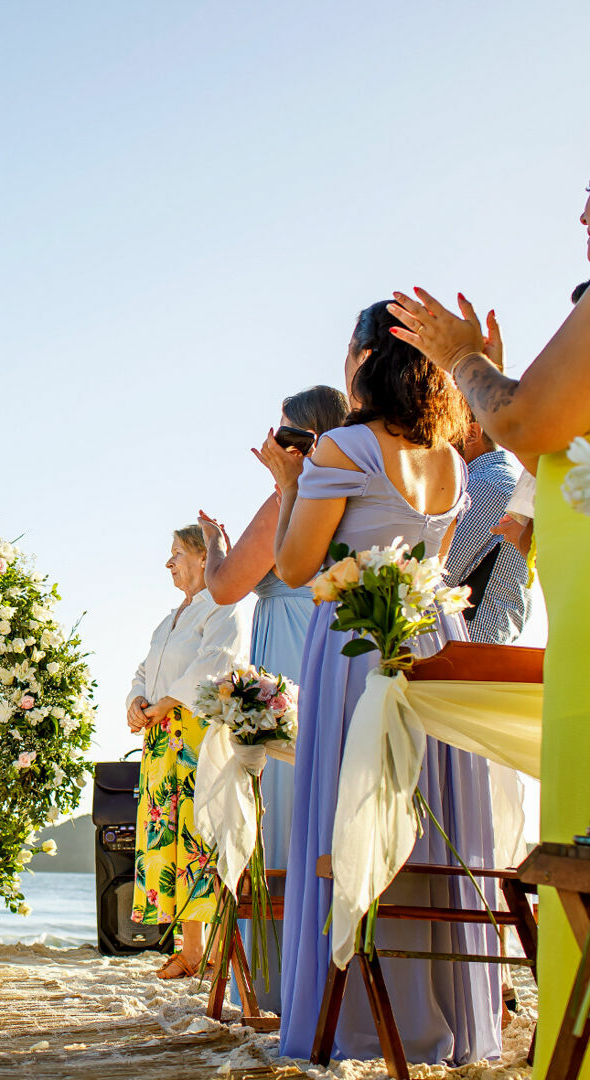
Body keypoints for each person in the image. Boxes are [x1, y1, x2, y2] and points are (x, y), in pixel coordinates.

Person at [271, 300, 499, 1066]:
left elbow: (298, 568)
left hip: (359, 648)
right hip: (434, 648)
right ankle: (435, 1019)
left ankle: (350, 1024)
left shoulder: (340, 447)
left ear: (365, 357)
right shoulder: (448, 459)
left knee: (352, 811)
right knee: (428, 816)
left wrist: (287, 483)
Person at [387, 240, 590, 1076]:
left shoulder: (497, 468)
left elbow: (517, 428)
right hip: (563, 637)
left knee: (514, 833)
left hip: (510, 654)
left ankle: (506, 1005)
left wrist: (463, 359)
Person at [196, 383, 347, 1013]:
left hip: (289, 645)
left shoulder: (294, 493)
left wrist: (214, 547)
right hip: (338, 642)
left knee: (282, 797)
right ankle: (334, 965)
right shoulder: (357, 484)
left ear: (301, 440)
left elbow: (229, 587)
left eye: (281, 431)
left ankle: (285, 979)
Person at [126, 525, 249, 980]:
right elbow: (145, 667)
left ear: (203, 558)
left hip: (197, 734)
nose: (169, 563)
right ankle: (190, 948)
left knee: (200, 835)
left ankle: (215, 946)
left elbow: (213, 662)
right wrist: (136, 703)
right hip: (160, 737)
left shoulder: (222, 606)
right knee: (169, 835)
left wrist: (165, 703)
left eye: (176, 553)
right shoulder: (170, 618)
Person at [444, 356, 532, 646]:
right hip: (477, 648)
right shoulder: (496, 480)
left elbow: (439, 572)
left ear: (471, 433)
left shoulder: (487, 486)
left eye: (444, 431)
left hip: (467, 651)